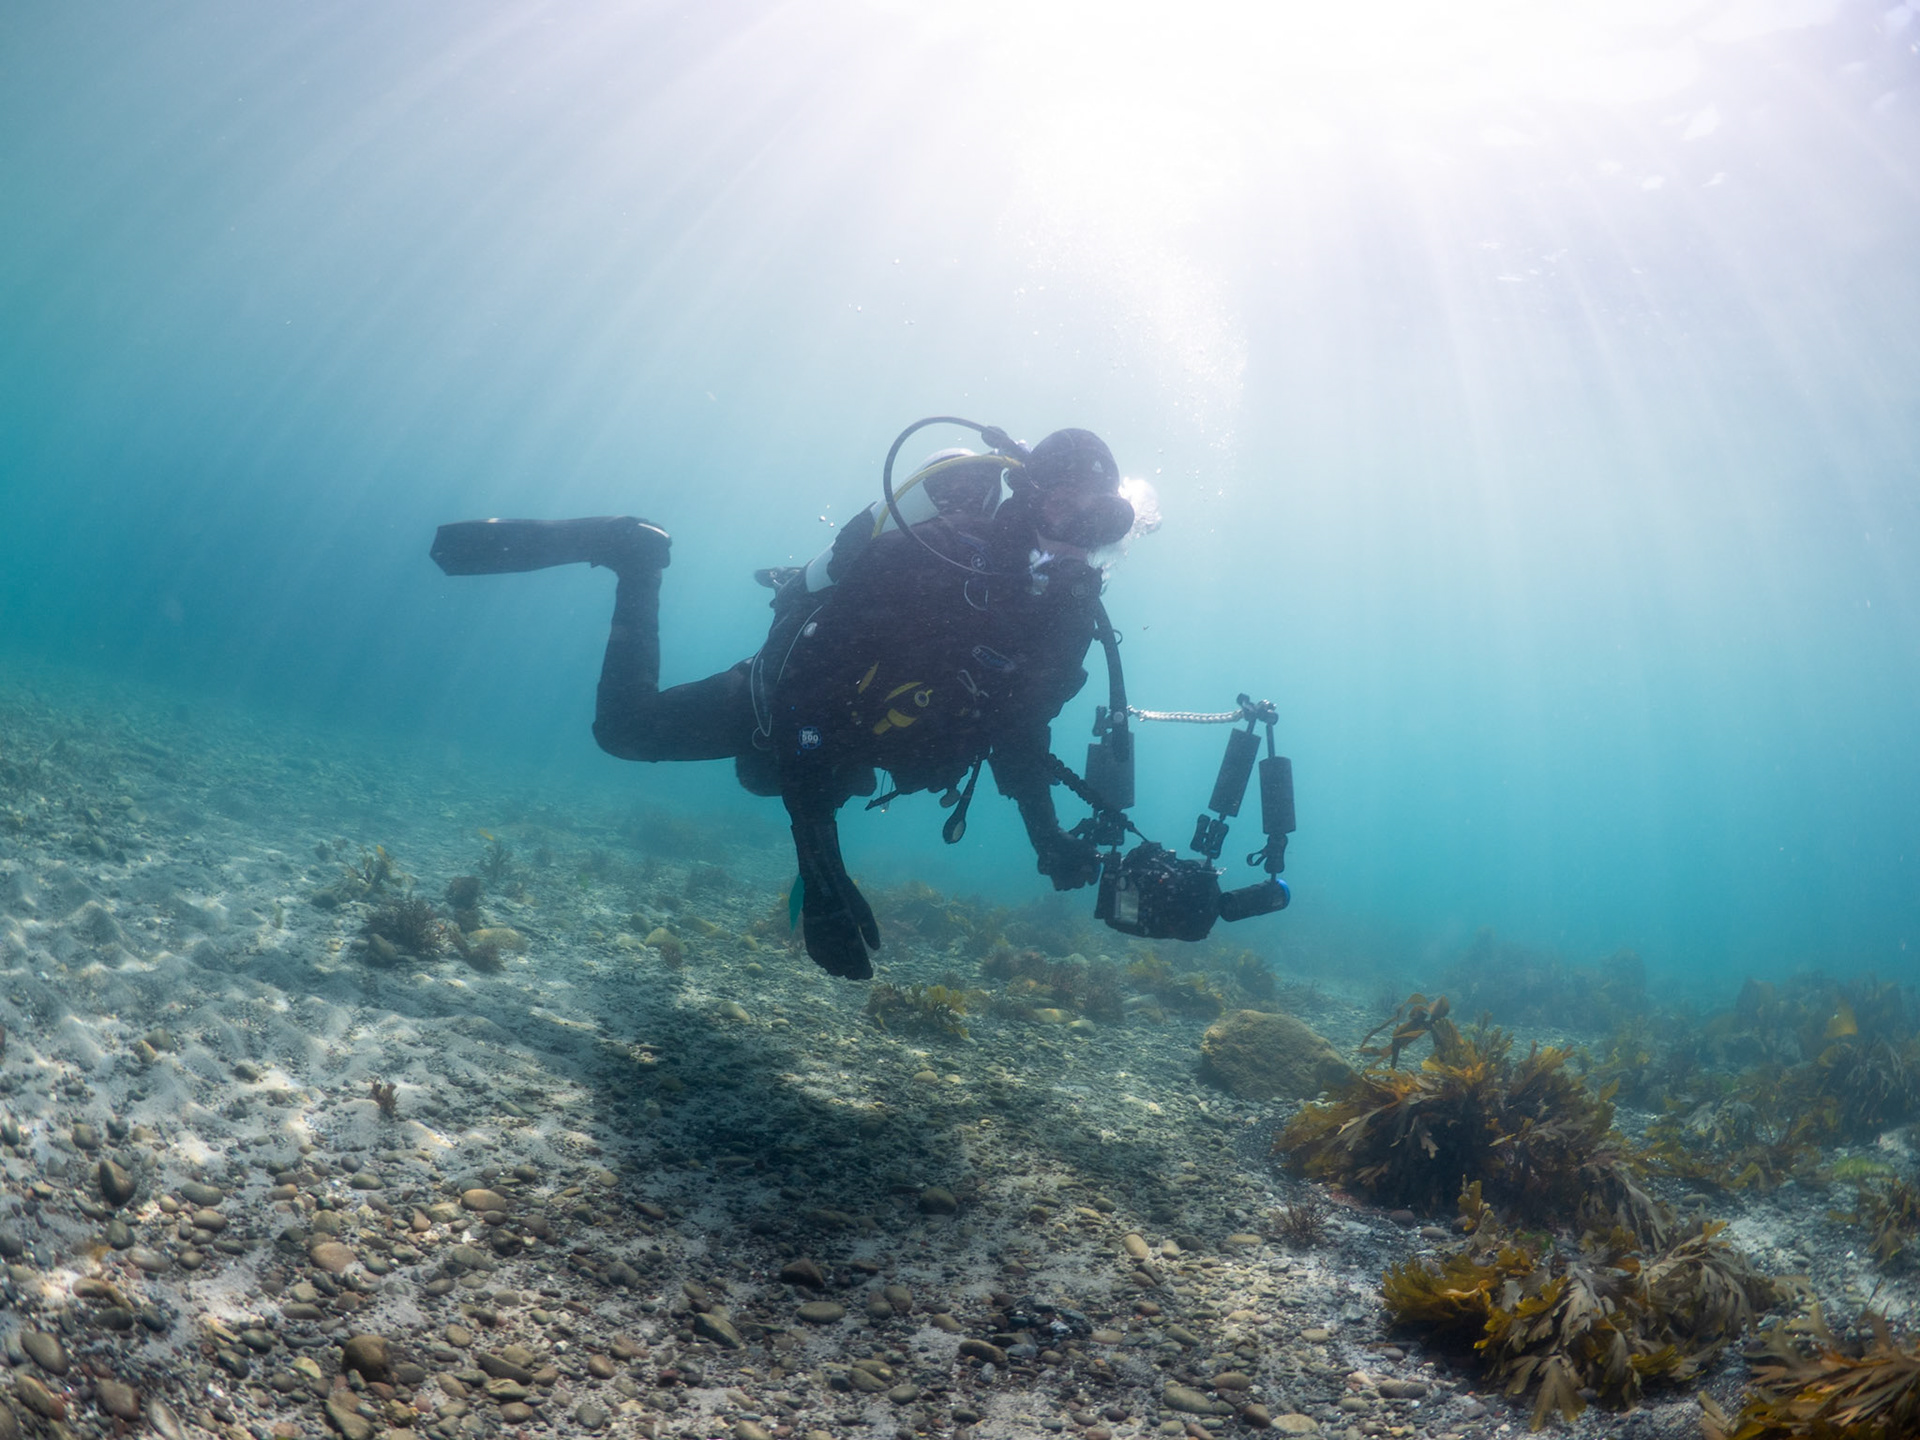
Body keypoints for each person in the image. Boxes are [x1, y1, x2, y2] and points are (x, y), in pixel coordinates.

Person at [431, 425, 1140, 979]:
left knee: (782, 776)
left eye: (1099, 521)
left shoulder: (1068, 613)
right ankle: (633, 557)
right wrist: (821, 872)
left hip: (856, 746)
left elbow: (1018, 727)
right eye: (1062, 506)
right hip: (784, 703)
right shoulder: (928, 560)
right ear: (1029, 491)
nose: (1077, 537)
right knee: (624, 731)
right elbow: (806, 699)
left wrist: (1046, 838)